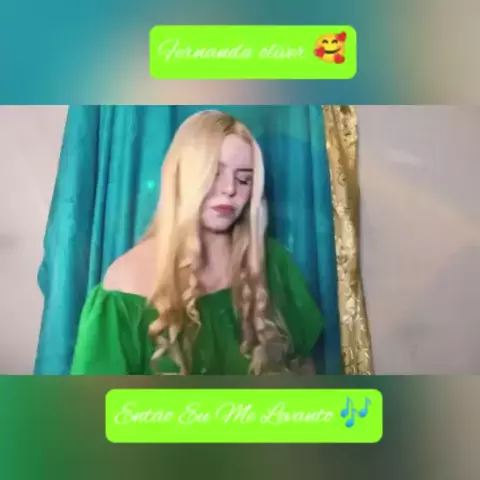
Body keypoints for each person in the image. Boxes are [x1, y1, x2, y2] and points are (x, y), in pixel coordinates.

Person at [70, 110, 324, 375]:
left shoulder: (274, 264)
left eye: (244, 179)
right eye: (215, 172)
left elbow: (304, 372)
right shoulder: (123, 285)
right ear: (180, 175)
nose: (230, 189)